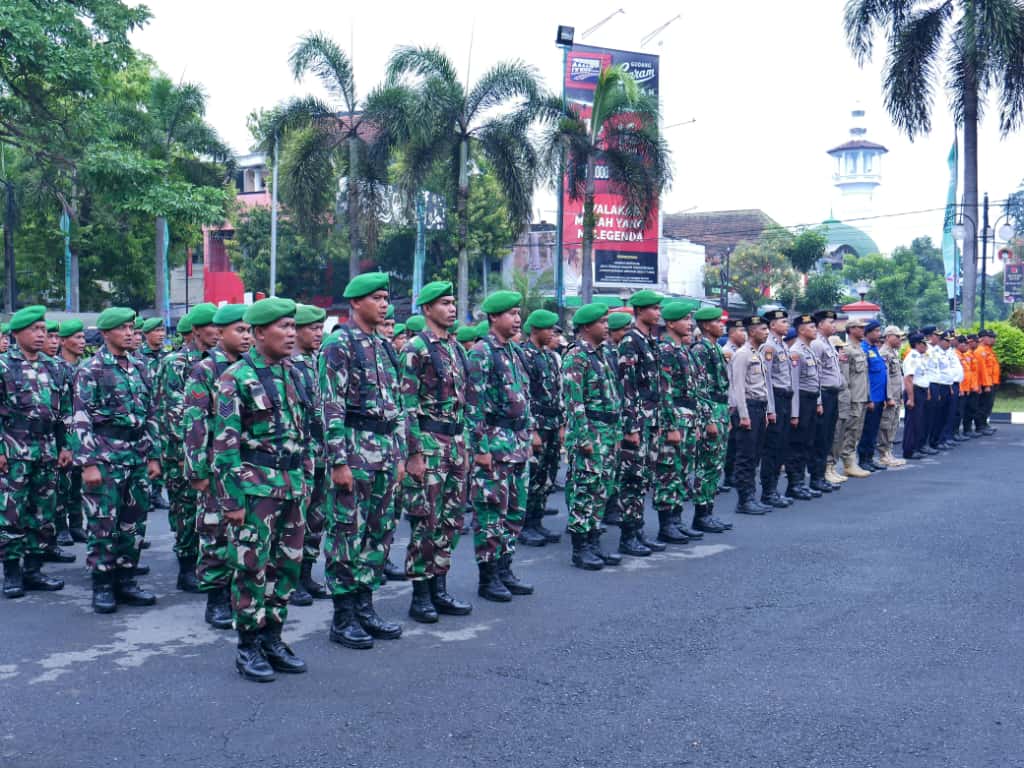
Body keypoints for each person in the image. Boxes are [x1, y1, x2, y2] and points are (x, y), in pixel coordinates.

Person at [213, 297, 312, 681]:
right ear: (258, 333)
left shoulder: (296, 374)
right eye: (283, 327)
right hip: (256, 491)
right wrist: (232, 500)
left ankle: (273, 636)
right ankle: (248, 645)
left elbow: (305, 433)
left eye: (293, 326)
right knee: (251, 568)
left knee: (286, 565)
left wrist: (306, 478)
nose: (291, 334)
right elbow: (224, 445)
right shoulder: (234, 378)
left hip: (292, 487)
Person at [321, 273, 407, 649]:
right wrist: (338, 461)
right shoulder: (339, 344)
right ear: (355, 302)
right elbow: (330, 405)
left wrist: (401, 453)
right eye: (377, 298)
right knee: (346, 535)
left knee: (379, 533)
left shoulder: (384, 346)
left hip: (385, 452)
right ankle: (343, 616)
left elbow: (399, 406)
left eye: (387, 297)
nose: (384, 304)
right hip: (355, 451)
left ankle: (365, 606)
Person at [71, 307, 161, 613]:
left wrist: (153, 455)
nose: (129, 333)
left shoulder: (141, 367)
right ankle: (103, 584)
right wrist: (89, 463)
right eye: (122, 328)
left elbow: (151, 414)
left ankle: (126, 579)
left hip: (136, 455)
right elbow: (81, 418)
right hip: (106, 456)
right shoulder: (91, 369)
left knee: (133, 523)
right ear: (107, 333)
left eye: (131, 327)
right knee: (103, 523)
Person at [400, 281, 473, 621]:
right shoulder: (416, 348)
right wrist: (413, 454)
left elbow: (465, 403)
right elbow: (407, 406)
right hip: (429, 444)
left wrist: (466, 444)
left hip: (455, 443)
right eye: (444, 303)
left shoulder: (455, 348)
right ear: (427, 309)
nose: (452, 309)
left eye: (453, 303)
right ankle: (420, 594)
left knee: (450, 520)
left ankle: (440, 588)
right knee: (425, 521)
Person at [182, 304, 252, 630]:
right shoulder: (206, 370)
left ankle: (242, 595)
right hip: (215, 465)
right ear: (220, 334)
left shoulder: (253, 368)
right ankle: (216, 599)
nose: (247, 336)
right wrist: (197, 471)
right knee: (215, 532)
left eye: (250, 330)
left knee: (246, 532)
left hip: (248, 465)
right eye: (240, 330)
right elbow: (195, 423)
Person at [465, 290, 535, 600]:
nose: (517, 318)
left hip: (517, 443)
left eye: (518, 313)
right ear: (494, 317)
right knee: (491, 512)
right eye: (511, 313)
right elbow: (473, 404)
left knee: (514, 513)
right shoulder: (482, 352)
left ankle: (506, 569)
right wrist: (480, 448)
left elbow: (524, 397)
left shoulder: (514, 351)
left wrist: (529, 434)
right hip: (494, 445)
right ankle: (488, 576)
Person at [0, 306, 72, 598]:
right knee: (11, 513)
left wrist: (66, 445)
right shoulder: (4, 366)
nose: (41, 335)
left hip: (46, 450)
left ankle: (34, 569)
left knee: (43, 513)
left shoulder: (54, 366)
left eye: (43, 329)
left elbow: (65, 411)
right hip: (13, 448)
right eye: (35, 329)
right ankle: (12, 572)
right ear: (17, 334)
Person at [156, 302, 221, 593]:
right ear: (196, 331)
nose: (217, 332)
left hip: (216, 451)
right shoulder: (175, 363)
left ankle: (211, 564)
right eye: (212, 327)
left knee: (211, 511)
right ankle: (186, 566)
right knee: (185, 510)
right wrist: (193, 452)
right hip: (183, 453)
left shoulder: (222, 361)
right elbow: (174, 413)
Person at [562, 303, 623, 570]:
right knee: (585, 489)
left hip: (607, 431)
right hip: (591, 431)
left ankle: (594, 541)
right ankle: (581, 548)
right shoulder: (577, 356)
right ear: (587, 326)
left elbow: (613, 397)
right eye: (602, 321)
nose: (607, 326)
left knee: (602, 489)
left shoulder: (601, 354)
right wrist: (583, 437)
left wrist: (617, 432)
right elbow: (574, 402)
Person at [614, 290, 670, 554]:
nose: (659, 313)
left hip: (651, 419)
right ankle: (628, 537)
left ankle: (638, 531)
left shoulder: (649, 341)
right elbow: (626, 387)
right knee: (632, 480)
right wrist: (631, 427)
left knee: (644, 478)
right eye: (654, 309)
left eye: (659, 308)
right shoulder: (630, 341)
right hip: (637, 421)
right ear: (640, 311)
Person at [286, 303, 330, 606]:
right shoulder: (288, 366)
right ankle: (289, 580)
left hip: (322, 455)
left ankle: (306, 573)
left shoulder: (319, 362)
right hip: (300, 456)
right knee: (294, 521)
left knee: (316, 519)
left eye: (320, 328)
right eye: (312, 328)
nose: (318, 333)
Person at [653, 300, 702, 542]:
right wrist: (671, 425)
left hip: (688, 417)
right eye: (685, 319)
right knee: (668, 471)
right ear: (671, 323)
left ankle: (677, 519)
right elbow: (664, 392)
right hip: (674, 417)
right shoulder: (665, 351)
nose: (690, 323)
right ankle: (666, 524)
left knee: (683, 471)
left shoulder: (682, 350)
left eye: (691, 318)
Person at [519, 309, 564, 547]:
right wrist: (533, 430)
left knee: (547, 475)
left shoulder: (548, 356)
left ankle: (537, 522)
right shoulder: (525, 356)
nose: (552, 334)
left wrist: (561, 424)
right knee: (534, 476)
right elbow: (526, 396)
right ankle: (526, 524)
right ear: (535, 330)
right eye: (549, 329)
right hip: (537, 425)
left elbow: (557, 393)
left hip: (552, 423)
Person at [690, 306, 733, 532]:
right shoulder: (700, 350)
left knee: (716, 465)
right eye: (717, 321)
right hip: (710, 410)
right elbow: (699, 388)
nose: (722, 324)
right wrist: (708, 419)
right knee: (706, 464)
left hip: (720, 408)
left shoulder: (713, 348)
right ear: (706, 325)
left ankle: (709, 511)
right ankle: (701, 514)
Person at [729, 315, 775, 515]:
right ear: (752, 331)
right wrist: (743, 415)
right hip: (747, 408)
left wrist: (765, 412)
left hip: (759, 408)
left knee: (755, 455)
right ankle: (744, 500)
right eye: (763, 329)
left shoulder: (758, 353)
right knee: (745, 456)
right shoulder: (742, 354)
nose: (766, 332)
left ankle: (751, 496)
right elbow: (737, 386)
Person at [54, 319, 88, 547]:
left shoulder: (85, 366)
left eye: (83, 337)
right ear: (63, 341)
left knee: (77, 481)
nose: (82, 342)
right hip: (61, 432)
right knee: (61, 482)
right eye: (77, 338)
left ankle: (76, 523)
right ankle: (60, 526)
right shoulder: (56, 367)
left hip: (80, 432)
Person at [785, 314, 824, 499]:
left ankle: (801, 482)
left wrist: (818, 402)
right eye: (811, 327)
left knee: (808, 442)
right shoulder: (796, 352)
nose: (815, 329)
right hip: (800, 401)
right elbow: (793, 384)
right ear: (801, 330)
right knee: (797, 444)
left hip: (811, 400)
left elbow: (815, 380)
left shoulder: (809, 350)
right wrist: (794, 413)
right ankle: (794, 484)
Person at [759, 309, 795, 508]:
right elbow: (767, 380)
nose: (787, 324)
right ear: (773, 325)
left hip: (786, 398)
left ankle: (774, 489)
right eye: (783, 321)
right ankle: (768, 491)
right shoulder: (769, 347)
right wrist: (770, 409)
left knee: (781, 445)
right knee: (772, 448)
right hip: (776, 399)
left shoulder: (782, 345)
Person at [809, 310, 844, 492]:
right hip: (824, 395)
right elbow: (816, 375)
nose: (834, 325)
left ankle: (821, 476)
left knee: (828, 437)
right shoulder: (816, 344)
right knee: (820, 438)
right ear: (820, 324)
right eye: (831, 322)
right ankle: (815, 478)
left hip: (833, 394)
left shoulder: (828, 343)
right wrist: (819, 401)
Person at [856, 320, 889, 471]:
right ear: (868, 332)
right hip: (871, 397)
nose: (879, 334)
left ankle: (870, 457)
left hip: (880, 396)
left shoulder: (874, 349)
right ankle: (863, 459)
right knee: (867, 430)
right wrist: (868, 398)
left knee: (874, 429)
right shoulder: (863, 349)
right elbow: (865, 377)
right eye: (876, 331)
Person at [719, 317, 746, 493]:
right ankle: (729, 476)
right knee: (732, 443)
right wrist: (731, 403)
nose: (744, 334)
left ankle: (733, 474)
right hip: (731, 402)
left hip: (738, 401)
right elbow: (728, 380)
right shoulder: (727, 351)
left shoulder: (740, 350)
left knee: (737, 441)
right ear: (732, 333)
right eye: (740, 331)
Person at [876, 327, 907, 467]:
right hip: (890, 397)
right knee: (886, 426)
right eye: (897, 337)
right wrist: (888, 397)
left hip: (896, 395)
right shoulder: (884, 353)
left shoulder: (893, 353)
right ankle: (883, 454)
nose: (900, 340)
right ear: (888, 337)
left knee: (893, 425)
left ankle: (889, 452)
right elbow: (886, 377)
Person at [901, 333, 930, 460]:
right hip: (915, 391)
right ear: (918, 344)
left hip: (921, 390)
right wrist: (911, 398)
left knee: (919, 421)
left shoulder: (919, 356)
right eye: (924, 343)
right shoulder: (912, 357)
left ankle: (916, 447)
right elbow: (908, 379)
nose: (926, 346)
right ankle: (909, 450)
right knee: (912, 422)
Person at [829, 335, 852, 481]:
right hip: (835, 403)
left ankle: (832, 467)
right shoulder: (832, 365)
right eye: (838, 348)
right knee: (834, 435)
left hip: (844, 403)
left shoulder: (840, 364)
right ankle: (827, 466)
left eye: (842, 348)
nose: (841, 351)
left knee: (840, 435)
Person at [974, 329, 1000, 435]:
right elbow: (983, 370)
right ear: (982, 338)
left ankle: (984, 424)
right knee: (983, 405)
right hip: (986, 384)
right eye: (989, 337)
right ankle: (980, 426)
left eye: (993, 337)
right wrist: (986, 385)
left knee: (988, 405)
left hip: (992, 382)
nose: (992, 339)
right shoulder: (980, 351)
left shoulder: (988, 350)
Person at [955, 334, 978, 440]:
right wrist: (960, 389)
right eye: (965, 344)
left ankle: (962, 431)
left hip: (966, 389)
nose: (967, 346)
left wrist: (968, 388)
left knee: (963, 411)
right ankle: (955, 433)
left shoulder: (964, 355)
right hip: (960, 389)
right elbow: (957, 375)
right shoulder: (956, 356)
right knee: (957, 413)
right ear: (959, 344)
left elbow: (969, 374)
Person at [962, 334, 982, 436]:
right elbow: (967, 374)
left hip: (974, 386)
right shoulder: (966, 355)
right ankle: (967, 430)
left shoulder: (972, 355)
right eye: (976, 342)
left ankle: (969, 429)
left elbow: (975, 373)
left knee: (972, 408)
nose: (978, 344)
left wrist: (977, 386)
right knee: (969, 410)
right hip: (969, 387)